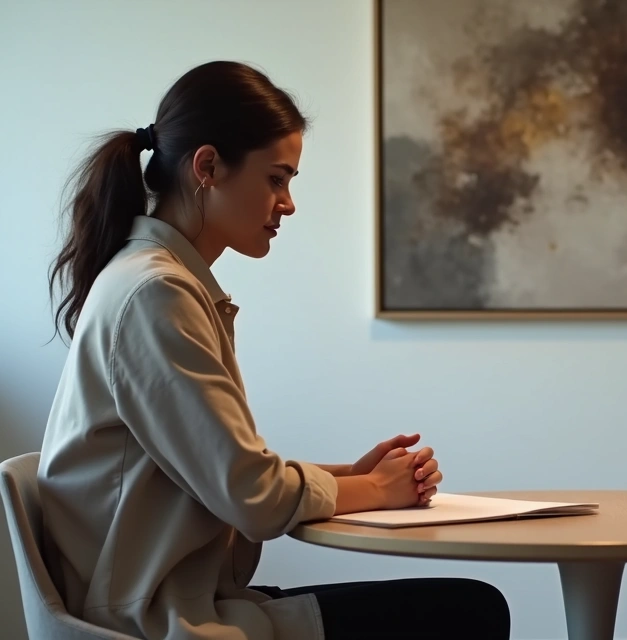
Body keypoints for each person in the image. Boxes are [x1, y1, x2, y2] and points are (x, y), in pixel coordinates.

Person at [37, 60, 510, 639]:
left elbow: (228, 474)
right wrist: (374, 490)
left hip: (170, 595)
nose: (288, 203)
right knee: (469, 610)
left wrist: (353, 478)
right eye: (276, 179)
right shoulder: (156, 293)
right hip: (156, 617)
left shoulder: (152, 279)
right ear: (207, 167)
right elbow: (253, 498)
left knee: (463, 606)